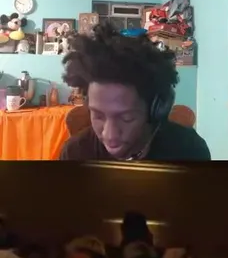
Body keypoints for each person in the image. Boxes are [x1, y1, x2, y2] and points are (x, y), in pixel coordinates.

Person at [58, 24, 210, 161]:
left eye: (127, 118)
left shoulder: (190, 150)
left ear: (156, 109)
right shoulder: (75, 153)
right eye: (98, 116)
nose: (110, 135)